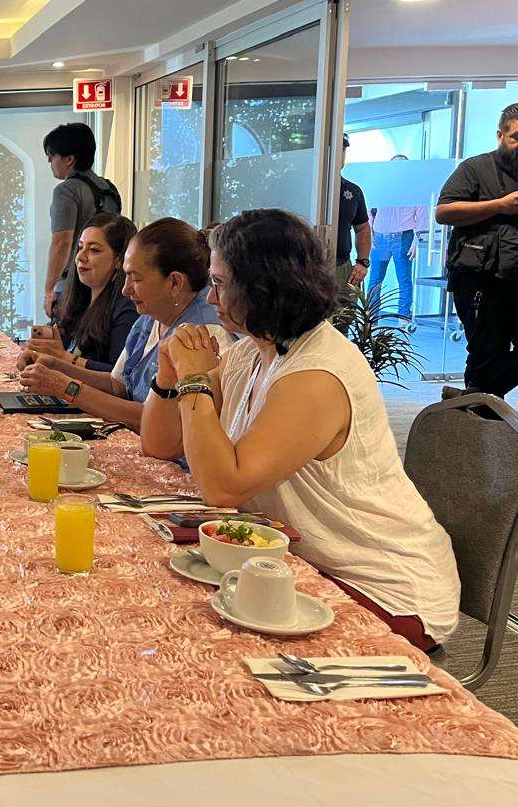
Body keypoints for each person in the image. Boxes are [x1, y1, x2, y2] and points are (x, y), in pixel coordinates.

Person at [140, 209, 459, 650]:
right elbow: (159, 444)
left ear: (261, 287)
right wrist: (168, 373)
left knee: (199, 644)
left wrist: (194, 379)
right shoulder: (252, 352)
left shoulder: (317, 373)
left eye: (219, 283)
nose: (210, 298)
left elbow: (222, 487)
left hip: (380, 586)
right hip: (301, 562)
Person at [19, 218, 227, 433]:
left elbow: (160, 422)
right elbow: (117, 385)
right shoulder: (151, 315)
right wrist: (54, 365)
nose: (125, 290)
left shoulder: (205, 336)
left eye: (135, 279)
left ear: (175, 282)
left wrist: (66, 387)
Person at [435, 102, 518, 397]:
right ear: (500, 135)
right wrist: (500, 206)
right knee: (486, 352)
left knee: (486, 369)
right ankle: (477, 408)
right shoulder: (475, 168)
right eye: (516, 137)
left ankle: (472, 397)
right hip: (481, 282)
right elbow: (444, 212)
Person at [23, 213, 138, 373]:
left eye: (94, 250)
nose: (80, 257)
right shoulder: (72, 299)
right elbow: (58, 349)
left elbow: (119, 377)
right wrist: (35, 354)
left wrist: (62, 357)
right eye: (80, 247)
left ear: (119, 260)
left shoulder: (128, 308)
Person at [41, 123, 122, 318]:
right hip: (107, 282)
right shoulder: (109, 189)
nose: (50, 161)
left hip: (74, 285)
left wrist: (49, 289)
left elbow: (62, 242)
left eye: (51, 156)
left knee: (65, 334)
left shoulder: (66, 191)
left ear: (69, 159)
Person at [366, 155, 424, 329]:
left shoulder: (415, 189)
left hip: (403, 236)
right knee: (375, 279)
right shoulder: (381, 187)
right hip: (379, 237)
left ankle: (403, 317)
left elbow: (422, 215)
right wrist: (369, 235)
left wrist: (417, 240)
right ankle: (371, 317)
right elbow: (368, 210)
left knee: (404, 279)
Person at [336, 134, 372, 292]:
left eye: (343, 149)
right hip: (303, 268)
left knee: (343, 307)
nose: (340, 153)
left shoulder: (352, 191)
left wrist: (362, 262)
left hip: (340, 266)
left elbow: (362, 228)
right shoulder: (299, 186)